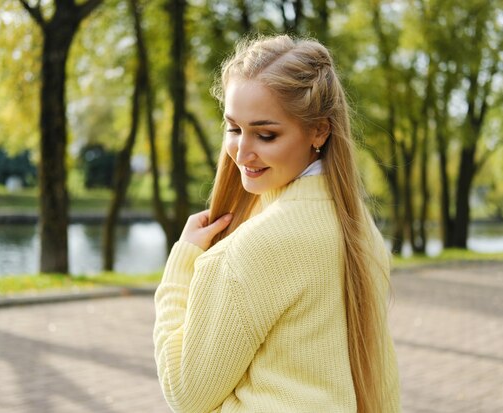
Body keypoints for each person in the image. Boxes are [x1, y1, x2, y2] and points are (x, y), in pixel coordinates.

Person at [154, 34, 401, 413]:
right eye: (234, 128)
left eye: (266, 134)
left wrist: (182, 264)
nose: (242, 151)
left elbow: (185, 394)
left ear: (319, 130)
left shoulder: (252, 249)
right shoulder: (357, 224)